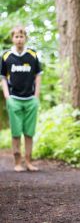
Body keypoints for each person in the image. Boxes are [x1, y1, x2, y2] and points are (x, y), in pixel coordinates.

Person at [1, 26, 42, 172]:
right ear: (13, 38)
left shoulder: (32, 55)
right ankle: (17, 163)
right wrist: (7, 96)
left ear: (25, 38)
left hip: (30, 99)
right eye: (16, 37)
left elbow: (38, 76)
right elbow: (3, 78)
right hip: (14, 99)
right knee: (16, 133)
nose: (19, 39)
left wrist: (36, 96)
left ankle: (29, 162)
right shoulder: (6, 56)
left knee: (29, 133)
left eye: (22, 36)